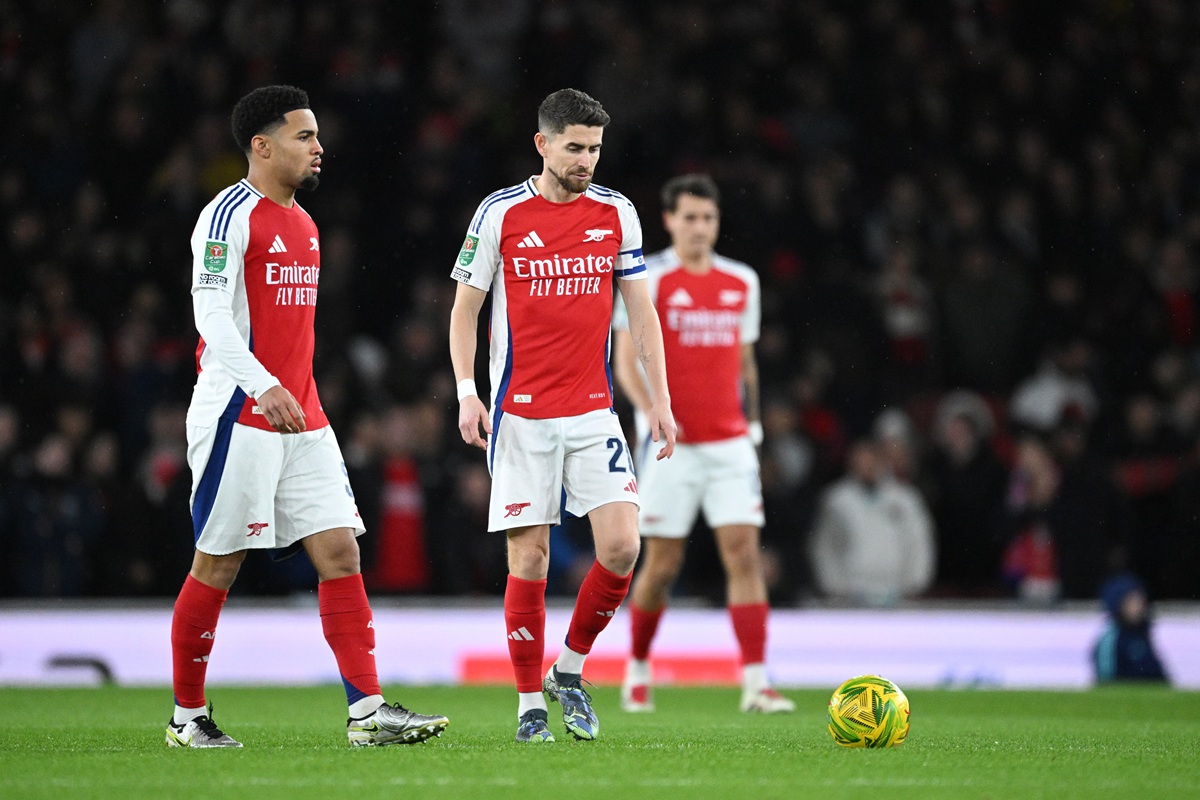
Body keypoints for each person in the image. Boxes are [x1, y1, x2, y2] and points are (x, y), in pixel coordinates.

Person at [167, 85, 448, 748]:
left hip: (302, 416)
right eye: (304, 136)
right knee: (220, 563)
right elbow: (211, 318)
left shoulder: (306, 224)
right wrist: (264, 386)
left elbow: (293, 332)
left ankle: (367, 712)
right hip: (238, 412)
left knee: (340, 550)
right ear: (260, 146)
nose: (319, 148)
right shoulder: (226, 215)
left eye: (318, 137)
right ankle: (187, 717)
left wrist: (299, 394)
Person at [449, 88, 677, 743]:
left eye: (595, 148)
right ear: (542, 144)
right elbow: (465, 309)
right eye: (574, 147)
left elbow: (640, 311)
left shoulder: (617, 214)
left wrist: (659, 399)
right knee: (532, 558)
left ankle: (568, 670)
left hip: (592, 410)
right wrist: (468, 390)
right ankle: (528, 706)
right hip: (519, 415)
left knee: (623, 546)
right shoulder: (500, 214)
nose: (586, 160)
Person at [610, 174, 795, 714]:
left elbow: (746, 363)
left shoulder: (742, 281)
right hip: (672, 446)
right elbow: (626, 359)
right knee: (662, 565)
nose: (699, 227)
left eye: (708, 218)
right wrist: (651, 416)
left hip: (730, 443)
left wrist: (754, 426)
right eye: (688, 217)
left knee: (744, 555)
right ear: (668, 221)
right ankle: (638, 667)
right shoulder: (652, 279)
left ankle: (757, 683)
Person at [808, 438, 936, 605]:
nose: (865, 467)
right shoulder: (837, 500)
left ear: (880, 460)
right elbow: (825, 546)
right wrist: (835, 587)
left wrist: (915, 583)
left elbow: (919, 541)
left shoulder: (905, 498)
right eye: (860, 462)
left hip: (897, 593)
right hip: (850, 595)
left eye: (870, 460)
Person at [1092, 572, 1169, 683]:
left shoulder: (1143, 633)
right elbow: (1106, 681)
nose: (1139, 606)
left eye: (1140, 600)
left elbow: (1158, 675)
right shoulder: (1111, 640)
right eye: (1132, 601)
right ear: (1118, 604)